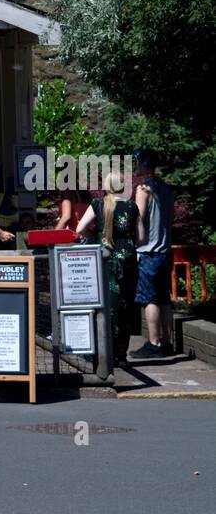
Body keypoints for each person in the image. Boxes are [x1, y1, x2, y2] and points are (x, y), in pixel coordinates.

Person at [74, 170, 140, 365]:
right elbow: (142, 238)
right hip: (127, 260)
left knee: (104, 305)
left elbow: (79, 229)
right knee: (125, 306)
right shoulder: (132, 207)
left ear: (106, 186)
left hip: (104, 258)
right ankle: (121, 354)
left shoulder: (98, 204)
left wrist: (95, 238)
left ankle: (104, 351)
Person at [129, 148, 175, 360]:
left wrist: (135, 242)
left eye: (137, 163)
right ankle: (167, 341)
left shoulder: (143, 189)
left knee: (150, 298)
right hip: (166, 251)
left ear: (142, 164)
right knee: (164, 298)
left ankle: (154, 343)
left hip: (149, 251)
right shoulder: (166, 188)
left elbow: (139, 218)